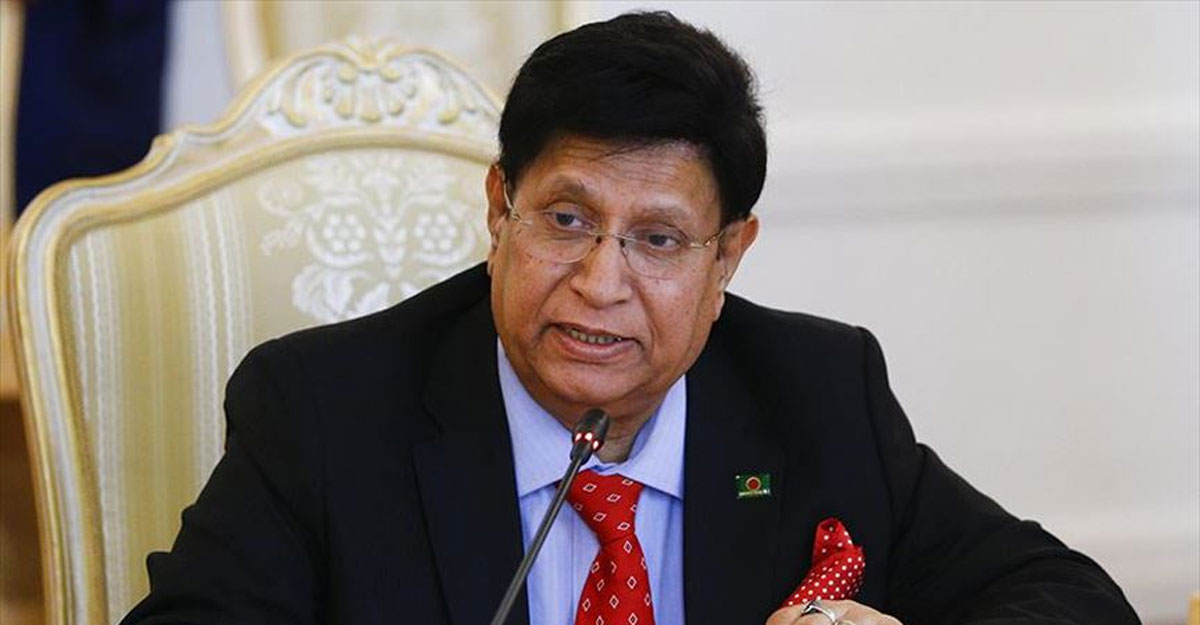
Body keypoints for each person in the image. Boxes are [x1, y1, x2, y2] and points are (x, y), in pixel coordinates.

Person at [121, 11, 1138, 625]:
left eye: (657, 239)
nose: (600, 281)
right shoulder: (324, 411)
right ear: (500, 211)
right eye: (567, 220)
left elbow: (1070, 597)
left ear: (727, 256)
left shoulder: (819, 392)